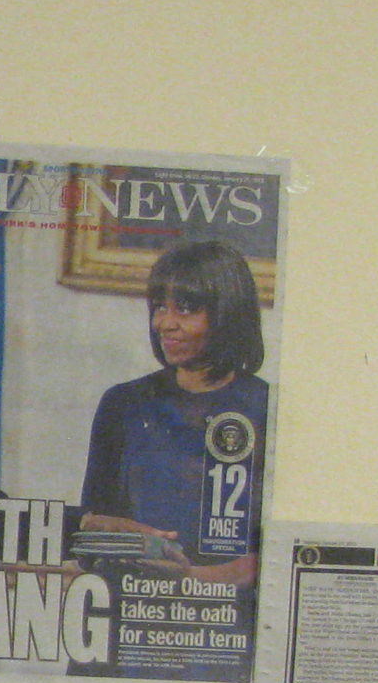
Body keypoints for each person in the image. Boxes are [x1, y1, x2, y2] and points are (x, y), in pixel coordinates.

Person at [77, 237, 267, 590]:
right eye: (159, 307)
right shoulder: (123, 403)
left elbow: (278, 554)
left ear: (227, 313)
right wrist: (107, 529)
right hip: (128, 600)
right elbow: (90, 526)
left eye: (185, 309)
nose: (165, 323)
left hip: (229, 611)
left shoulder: (266, 407)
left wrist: (189, 578)